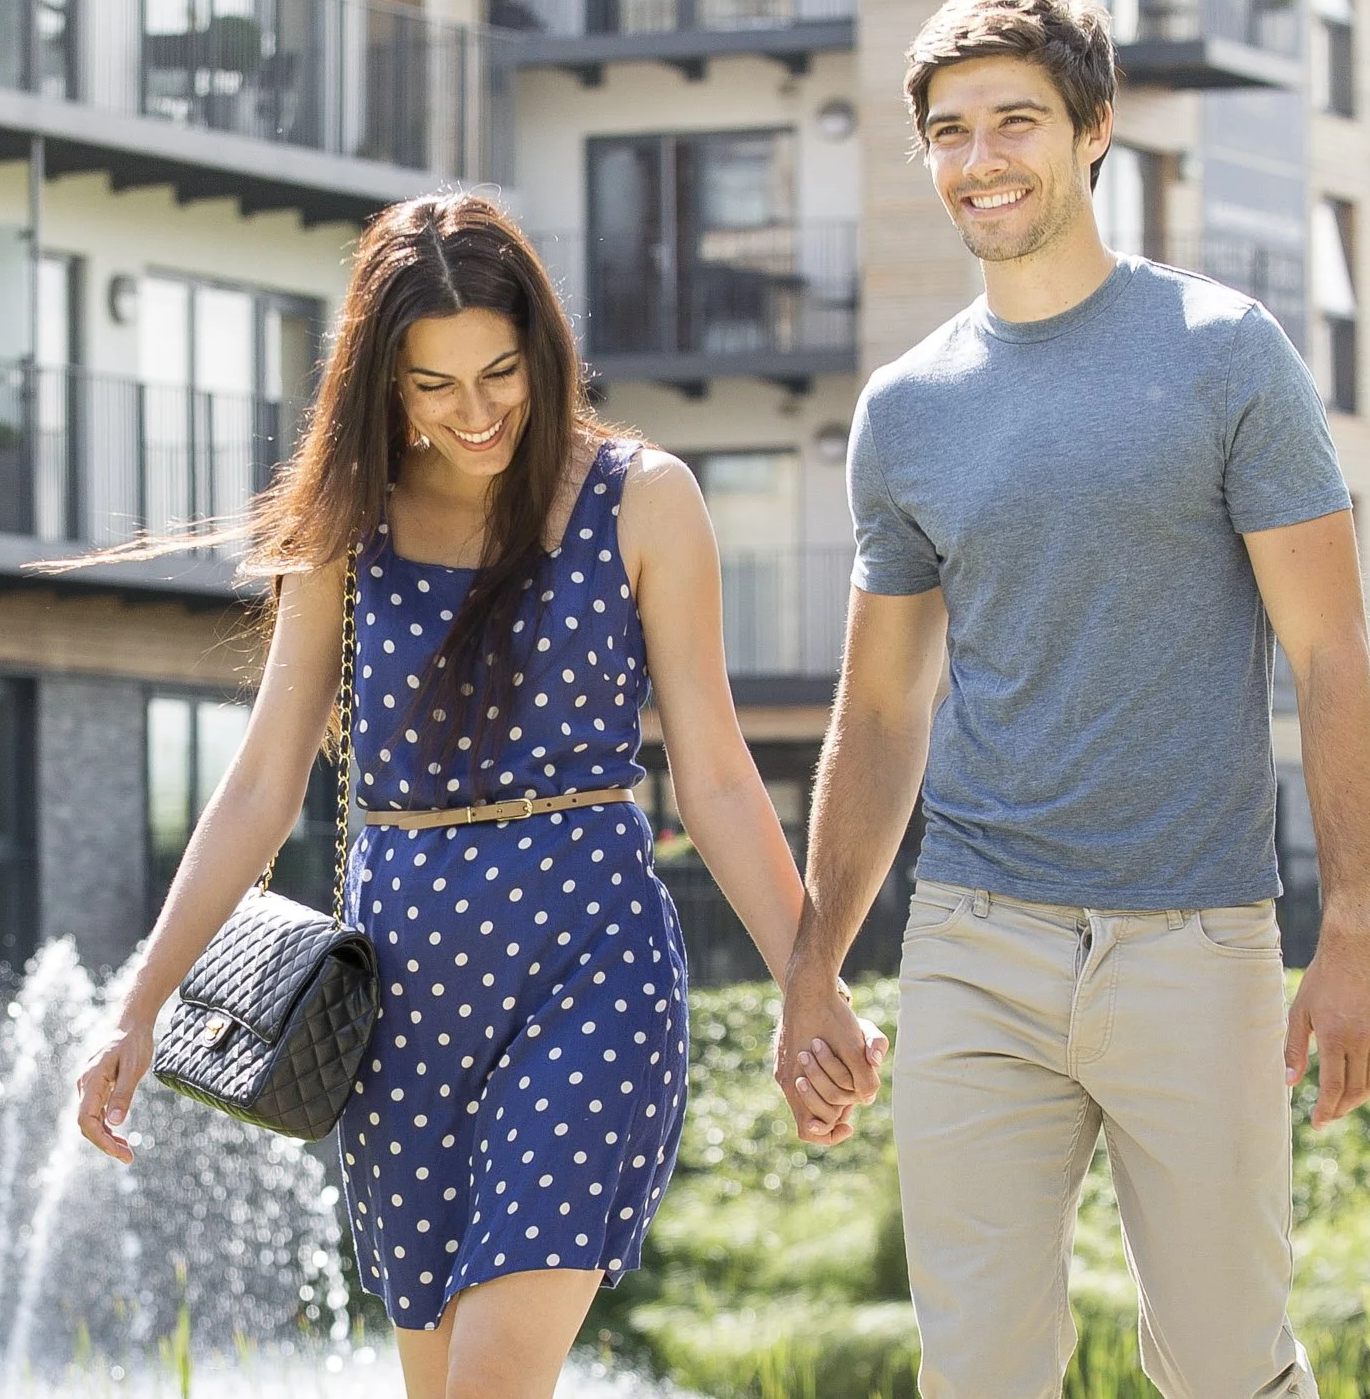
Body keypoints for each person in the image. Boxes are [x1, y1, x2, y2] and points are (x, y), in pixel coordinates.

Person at [69, 191, 886, 1399]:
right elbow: (261, 780)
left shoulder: (642, 497)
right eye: (432, 385)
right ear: (382, 384)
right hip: (395, 1005)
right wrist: (138, 1005)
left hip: (589, 964)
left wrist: (807, 985)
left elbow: (712, 774)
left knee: (493, 1381)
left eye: (498, 372)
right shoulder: (346, 527)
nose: (474, 412)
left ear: (542, 350)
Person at [772, 0, 1370, 1399]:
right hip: (976, 940)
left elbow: (1332, 656)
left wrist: (1352, 924)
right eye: (948, 133)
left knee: (1228, 1366)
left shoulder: (1224, 351)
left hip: (1196, 937)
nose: (980, 159)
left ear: (1093, 129)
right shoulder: (907, 407)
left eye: (1015, 122)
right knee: (977, 1371)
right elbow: (880, 713)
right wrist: (815, 966)